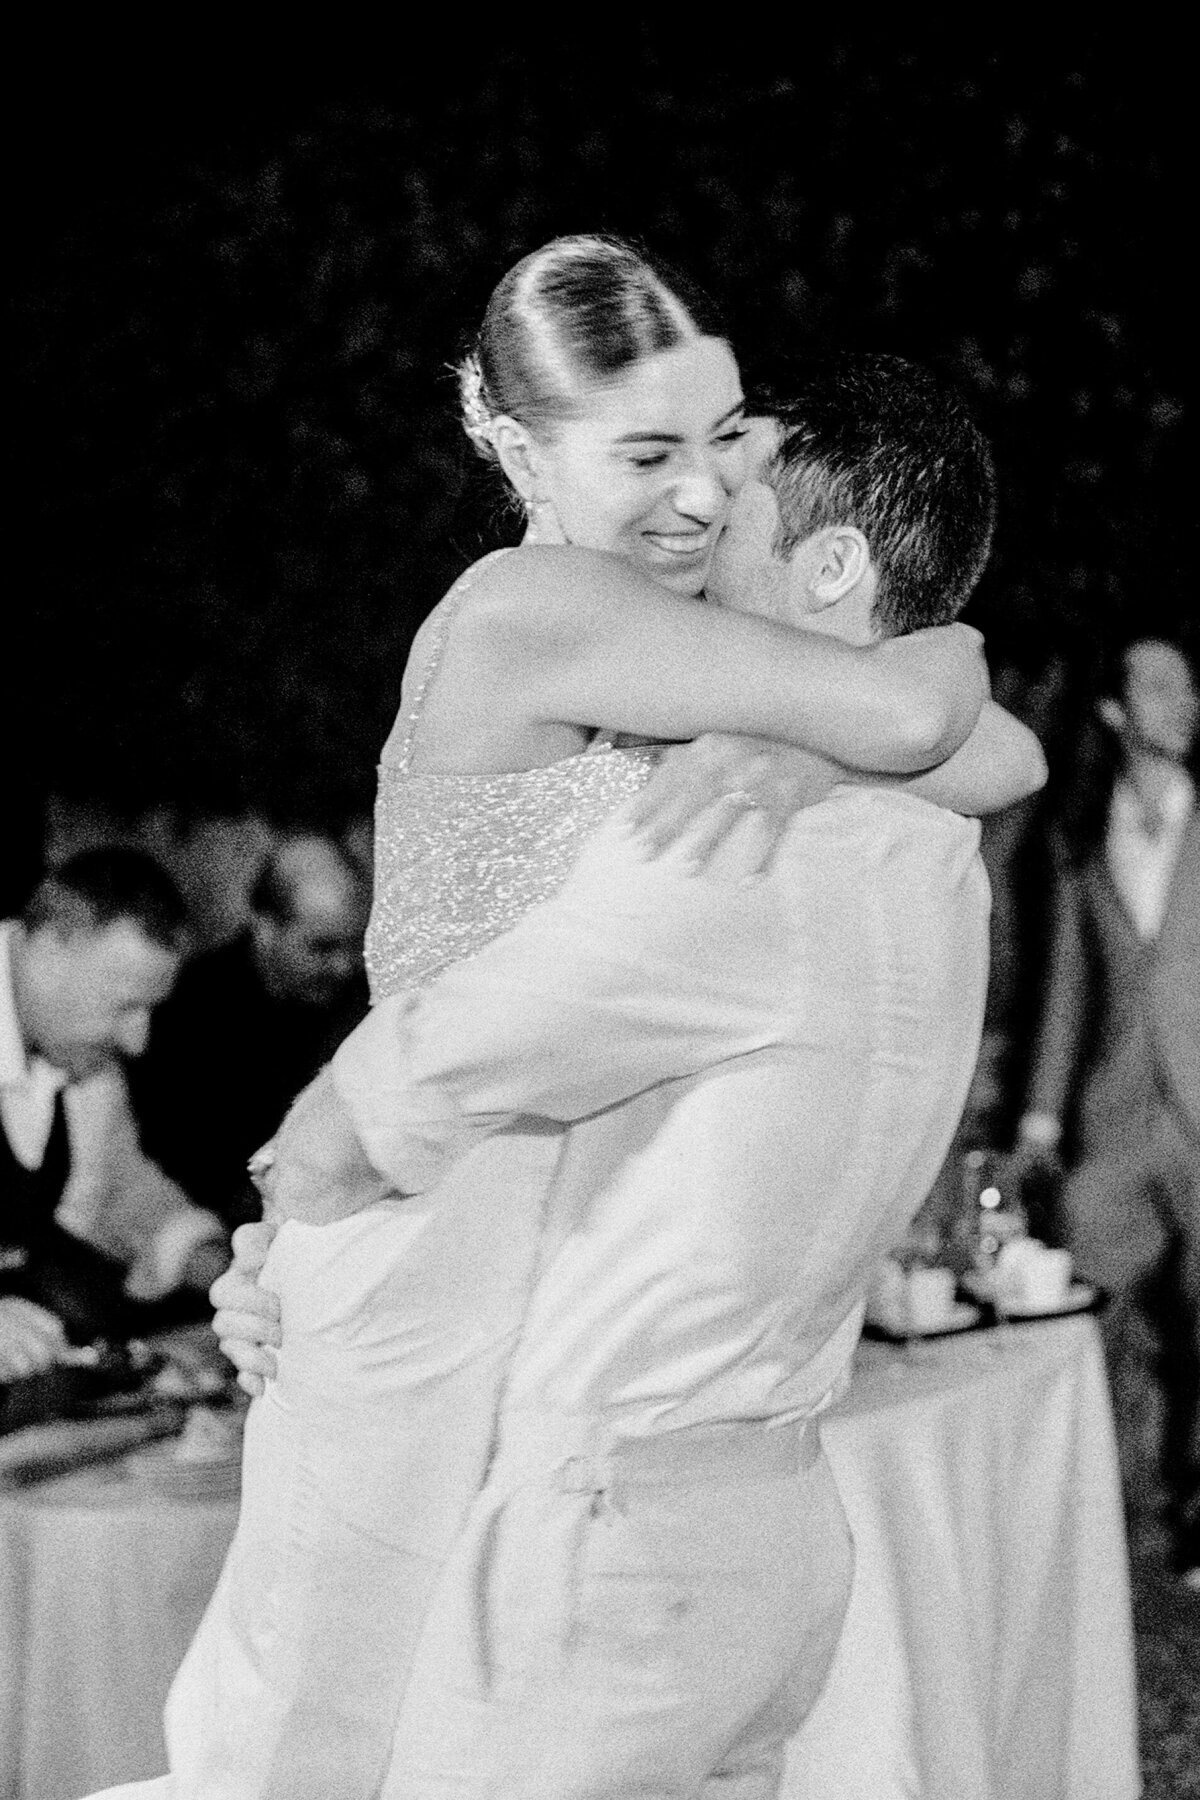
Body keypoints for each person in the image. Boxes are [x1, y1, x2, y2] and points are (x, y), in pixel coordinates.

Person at [88, 241, 1039, 1800]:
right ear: (523, 448)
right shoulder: (535, 603)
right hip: (422, 1216)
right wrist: (883, 691)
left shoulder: (680, 660)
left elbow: (997, 761)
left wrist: (808, 748)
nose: (690, 500)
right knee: (313, 1737)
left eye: (707, 449)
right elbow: (939, 716)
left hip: (525, 1234)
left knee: (430, 1739)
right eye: (647, 453)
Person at [1012, 635, 1200, 1581]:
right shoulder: (1079, 836)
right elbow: (1066, 990)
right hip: (1119, 1116)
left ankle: (1196, 1527)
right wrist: (1041, 1124)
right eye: (1159, 686)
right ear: (1117, 713)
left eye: (1187, 684)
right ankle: (1076, 1522)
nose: (1183, 701)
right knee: (1077, 1299)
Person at [1, 849, 229, 1386]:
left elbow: (118, 1186)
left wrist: (218, 1265)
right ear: (52, 947)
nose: (138, 1039)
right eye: (125, 1006)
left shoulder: (78, 1052)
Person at [131, 833, 369, 1228]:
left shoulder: (356, 995)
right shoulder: (188, 1010)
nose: (343, 967)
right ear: (264, 926)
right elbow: (174, 1159)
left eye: (354, 946)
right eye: (321, 948)